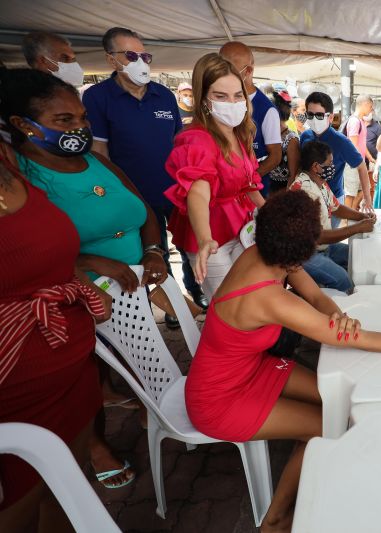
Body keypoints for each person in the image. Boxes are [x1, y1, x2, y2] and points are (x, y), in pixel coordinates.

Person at [185, 189, 381, 532]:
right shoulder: (269, 298)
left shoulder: (263, 253)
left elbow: (316, 295)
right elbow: (364, 340)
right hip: (218, 399)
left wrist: (339, 316)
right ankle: (274, 520)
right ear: (298, 252)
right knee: (327, 425)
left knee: (341, 402)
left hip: (250, 368)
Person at [2, 67, 176, 490]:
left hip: (135, 281)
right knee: (91, 370)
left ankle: (149, 405)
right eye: (64, 121)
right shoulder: (21, 176)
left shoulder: (96, 161)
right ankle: (97, 445)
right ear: (24, 126)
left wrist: (154, 251)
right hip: (81, 295)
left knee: (129, 358)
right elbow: (34, 249)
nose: (79, 128)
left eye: (82, 118)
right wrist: (92, 262)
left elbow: (144, 211)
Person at [0, 143, 110, 533]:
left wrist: (82, 279)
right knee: (19, 502)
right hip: (16, 390)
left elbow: (52, 251)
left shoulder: (10, 163)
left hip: (73, 364)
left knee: (66, 489)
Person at [82, 27, 207, 318]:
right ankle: (173, 309)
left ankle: (195, 292)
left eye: (144, 55)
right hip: (134, 197)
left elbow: (181, 144)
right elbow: (100, 154)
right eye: (131, 55)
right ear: (112, 60)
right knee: (154, 256)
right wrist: (116, 199)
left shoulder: (163, 95)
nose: (141, 61)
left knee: (190, 244)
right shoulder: (98, 97)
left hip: (175, 192)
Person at [164, 53, 265, 297]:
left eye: (237, 95)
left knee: (250, 296)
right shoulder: (197, 140)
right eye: (221, 96)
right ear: (204, 100)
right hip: (211, 235)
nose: (231, 103)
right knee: (227, 305)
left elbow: (249, 185)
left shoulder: (239, 134)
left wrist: (272, 212)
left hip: (242, 228)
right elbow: (198, 191)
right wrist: (205, 239)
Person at [290, 141, 376, 293]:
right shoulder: (303, 191)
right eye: (329, 163)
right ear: (316, 166)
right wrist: (358, 227)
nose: (332, 167)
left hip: (323, 248)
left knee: (358, 257)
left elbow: (336, 208)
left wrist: (362, 216)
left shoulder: (319, 182)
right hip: (305, 255)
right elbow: (318, 237)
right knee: (344, 280)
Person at [219, 42, 282, 192]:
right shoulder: (217, 100)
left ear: (247, 71)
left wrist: (248, 179)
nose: (222, 72)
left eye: (229, 68)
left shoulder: (266, 109)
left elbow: (275, 156)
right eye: (220, 66)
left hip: (251, 192)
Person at [300, 92, 373, 213]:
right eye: (310, 115)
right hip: (306, 197)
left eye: (319, 115)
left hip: (332, 201)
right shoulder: (305, 136)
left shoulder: (341, 141)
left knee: (331, 231)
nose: (314, 119)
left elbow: (361, 166)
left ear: (330, 117)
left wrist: (367, 197)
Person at [264, 91, 300, 194]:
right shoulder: (266, 135)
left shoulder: (291, 139)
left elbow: (293, 176)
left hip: (280, 195)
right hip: (264, 191)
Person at [343, 94, 373, 210]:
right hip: (352, 163)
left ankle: (352, 212)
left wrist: (370, 158)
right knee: (350, 193)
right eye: (370, 106)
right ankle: (345, 219)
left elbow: (362, 145)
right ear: (364, 104)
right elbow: (353, 145)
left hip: (359, 163)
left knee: (363, 190)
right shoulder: (355, 121)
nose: (371, 110)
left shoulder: (360, 121)